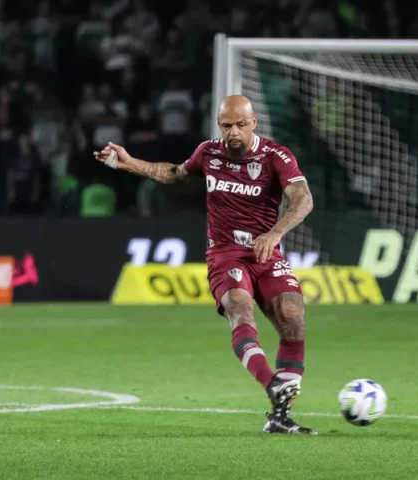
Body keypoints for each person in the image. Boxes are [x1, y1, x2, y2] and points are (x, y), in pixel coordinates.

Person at [93, 95, 316, 434]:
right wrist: (129, 163)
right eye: (227, 126)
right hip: (225, 254)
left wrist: (274, 233)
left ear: (254, 123)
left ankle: (280, 417)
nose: (233, 132)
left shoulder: (275, 156)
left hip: (265, 253)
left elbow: (303, 200)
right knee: (240, 308)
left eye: (241, 124)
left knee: (294, 318)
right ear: (219, 126)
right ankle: (273, 385)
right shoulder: (208, 153)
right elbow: (175, 174)